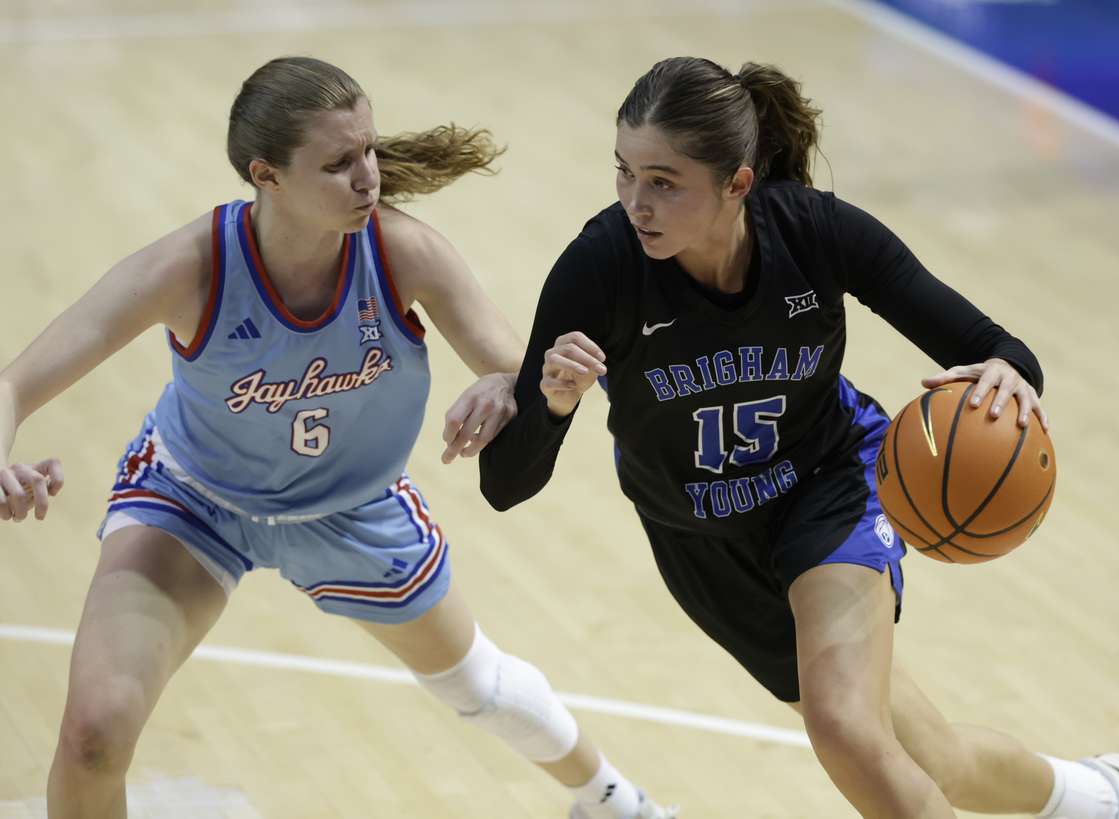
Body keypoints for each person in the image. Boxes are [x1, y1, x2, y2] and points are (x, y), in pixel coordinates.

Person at [0, 56, 675, 819]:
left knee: (477, 683)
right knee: (93, 734)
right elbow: (12, 385)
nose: (368, 179)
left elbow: (520, 371)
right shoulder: (189, 267)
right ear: (267, 175)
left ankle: (612, 797)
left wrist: (505, 385)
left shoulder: (402, 252)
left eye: (368, 152)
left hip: (353, 506)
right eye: (338, 164)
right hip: (194, 501)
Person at [479, 56, 1119, 819]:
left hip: (828, 485)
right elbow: (504, 484)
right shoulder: (599, 266)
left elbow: (995, 344)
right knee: (935, 760)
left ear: (737, 183)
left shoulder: (814, 230)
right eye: (624, 173)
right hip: (699, 542)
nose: (636, 202)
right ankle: (1096, 797)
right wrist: (554, 404)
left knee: (846, 731)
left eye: (664, 181)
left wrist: (1010, 375)